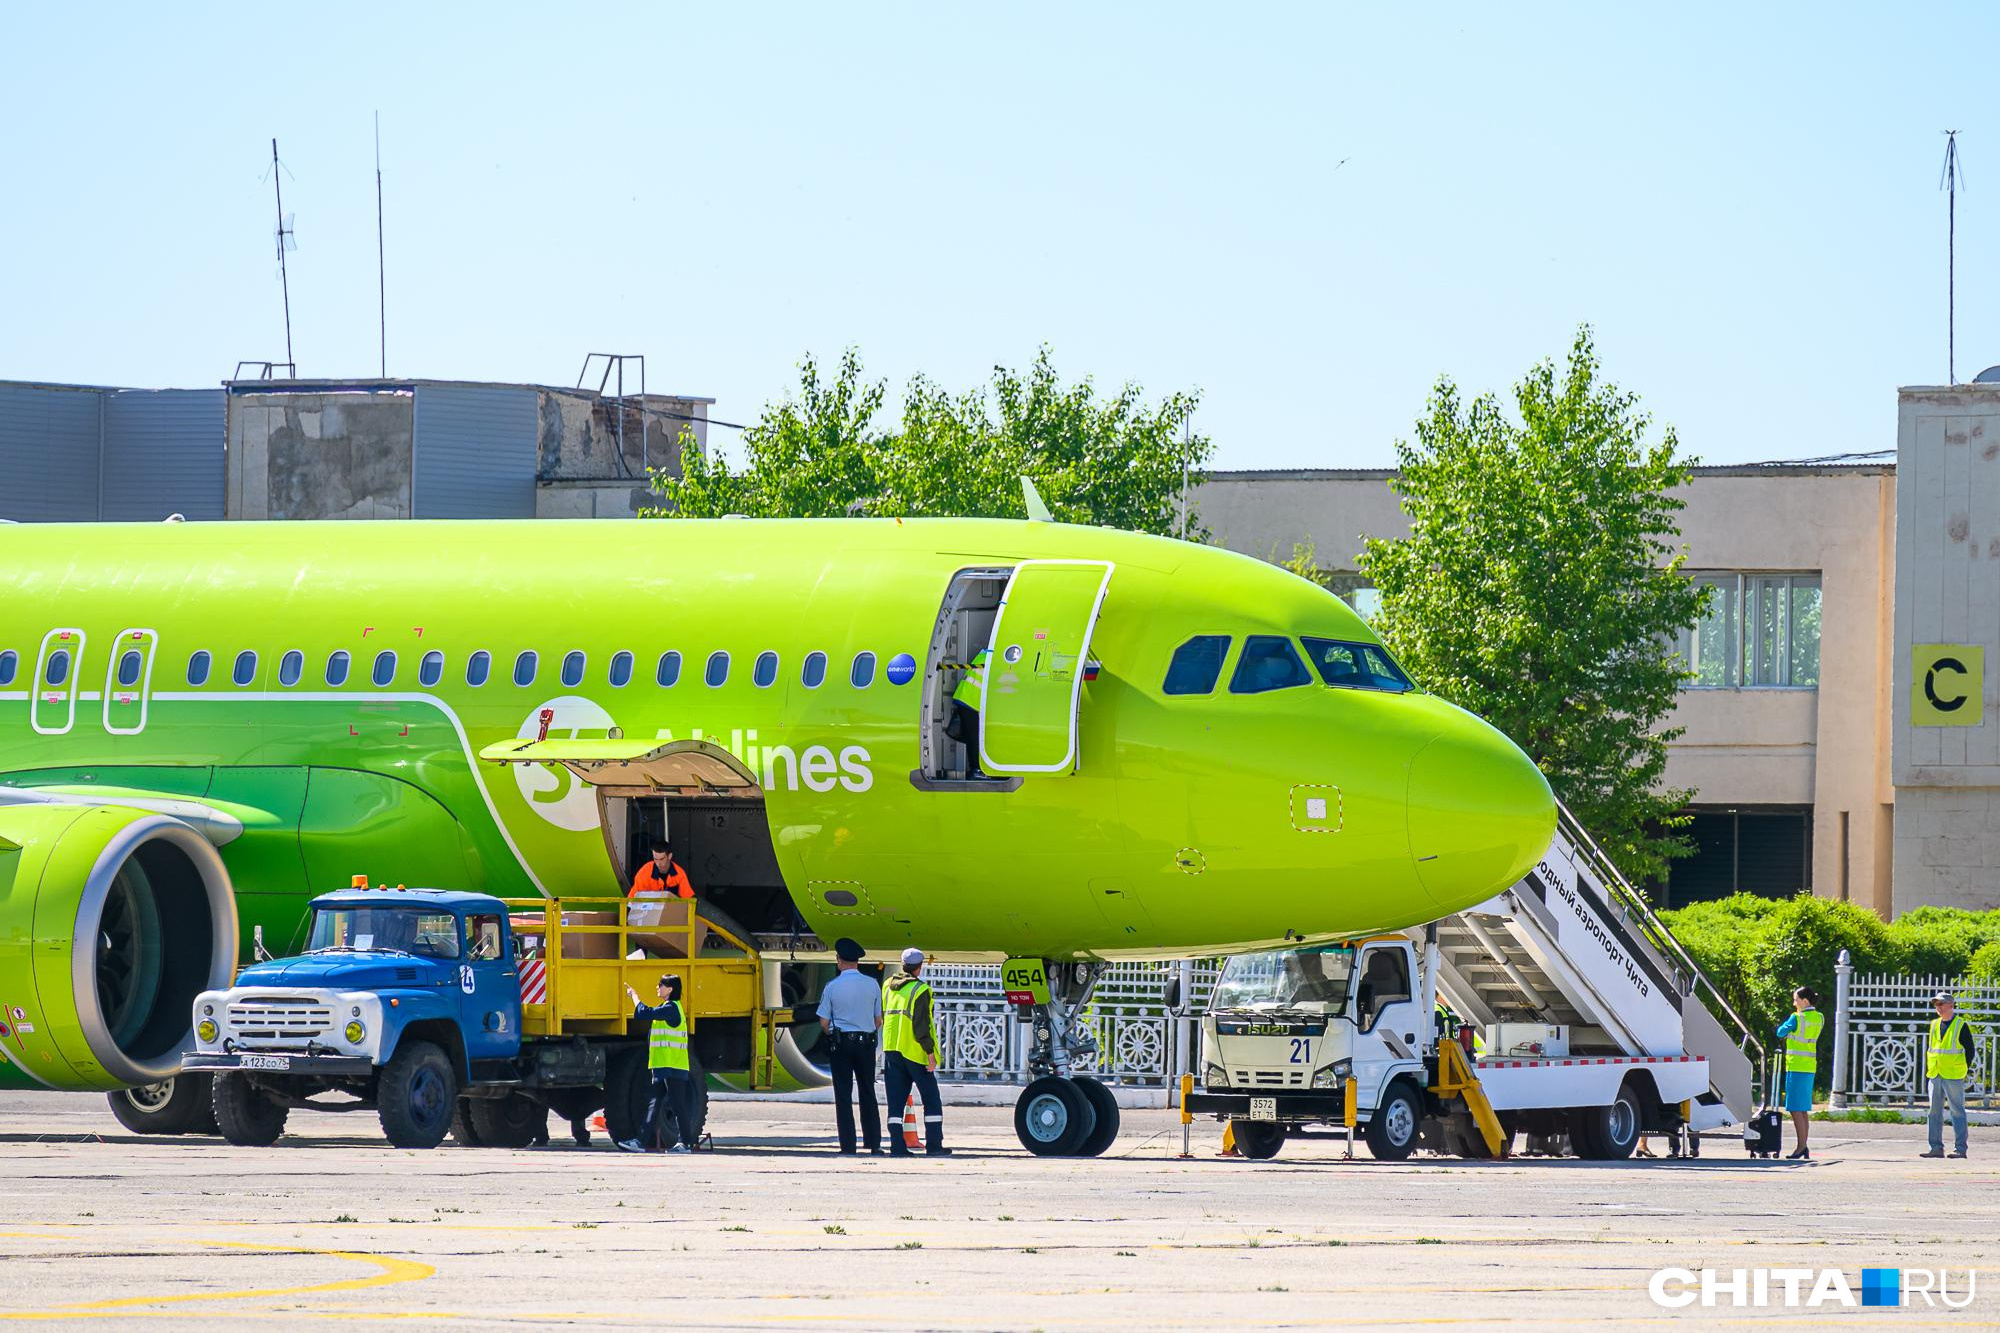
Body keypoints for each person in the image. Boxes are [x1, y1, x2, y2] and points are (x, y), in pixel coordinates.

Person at [816, 936, 884, 1155]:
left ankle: (848, 1146)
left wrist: (832, 1032)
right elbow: (878, 1020)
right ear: (858, 961)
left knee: (843, 1095)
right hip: (865, 1044)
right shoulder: (872, 984)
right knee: (867, 1092)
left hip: (841, 1044)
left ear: (839, 960)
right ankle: (873, 1144)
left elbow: (824, 1022)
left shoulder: (832, 986)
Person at [882, 947, 950, 1157]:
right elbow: (921, 1027)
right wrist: (930, 1054)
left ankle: (897, 1147)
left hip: (891, 1049)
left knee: (895, 1103)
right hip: (914, 1052)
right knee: (931, 1099)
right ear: (919, 968)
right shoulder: (921, 990)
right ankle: (934, 1145)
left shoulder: (887, 986)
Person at [618, 975, 697, 1154]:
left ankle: (686, 1144)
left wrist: (634, 996)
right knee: (653, 1104)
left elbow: (644, 1012)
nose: (657, 987)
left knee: (677, 1105)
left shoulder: (671, 1008)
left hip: (673, 1066)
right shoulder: (666, 1007)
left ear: (670, 989)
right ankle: (640, 1142)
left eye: (660, 985)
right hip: (663, 1066)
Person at [1921, 990, 1976, 1159]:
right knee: (1933, 1112)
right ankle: (1936, 1148)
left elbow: (1970, 1051)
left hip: (1953, 1075)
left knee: (1957, 1111)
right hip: (1935, 1073)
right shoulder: (1934, 1025)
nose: (1937, 1007)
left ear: (1950, 1006)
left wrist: (1962, 1068)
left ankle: (1960, 1149)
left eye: (1940, 1004)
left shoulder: (1961, 1025)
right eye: (1936, 1004)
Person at [1774, 985, 1824, 1160]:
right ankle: (1803, 1145)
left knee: (1795, 1109)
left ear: (1805, 1001)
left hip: (1796, 1066)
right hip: (1809, 1066)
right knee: (1802, 1109)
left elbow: (1780, 1032)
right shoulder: (1819, 1017)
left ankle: (1801, 1147)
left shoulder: (1797, 1018)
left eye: (1796, 999)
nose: (1794, 1003)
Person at [947, 649, 989, 777]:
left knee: (974, 737)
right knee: (976, 739)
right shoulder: (998, 655)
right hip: (971, 700)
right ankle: (977, 770)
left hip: (967, 698)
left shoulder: (987, 653)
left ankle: (978, 769)